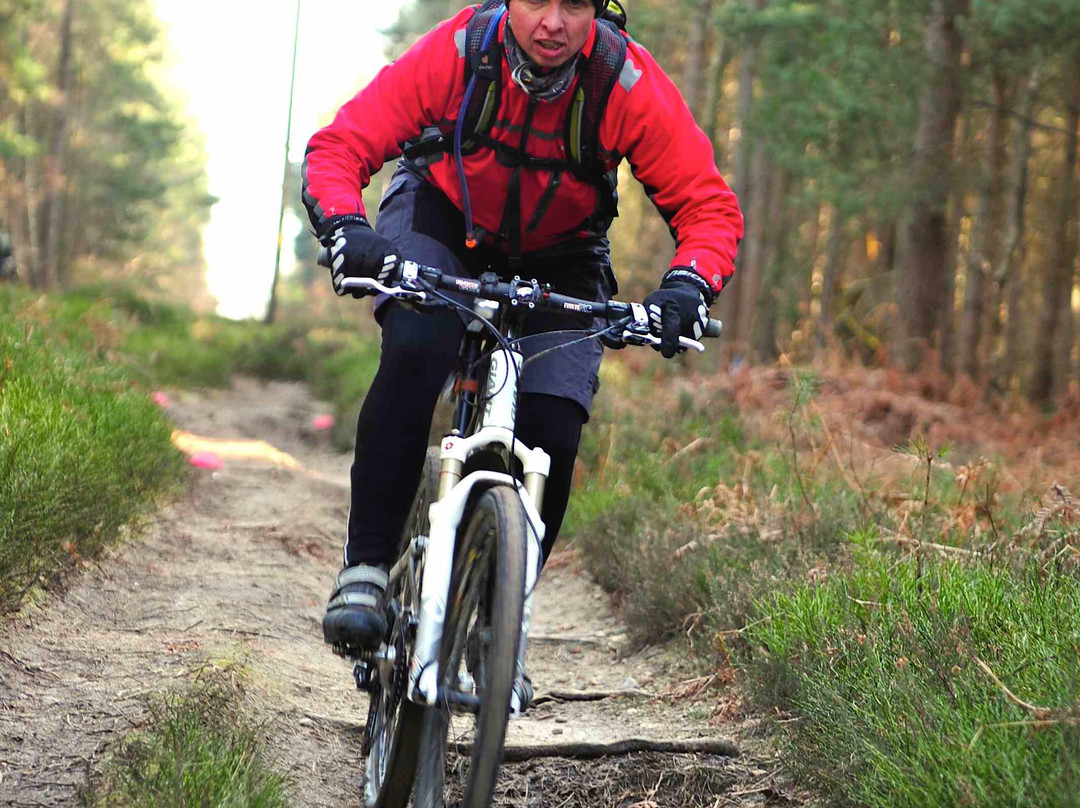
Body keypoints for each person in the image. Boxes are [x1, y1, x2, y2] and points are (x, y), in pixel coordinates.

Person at [302, 0, 743, 657]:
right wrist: (347, 227)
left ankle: (496, 624)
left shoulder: (623, 81)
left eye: (574, 5)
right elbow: (342, 145)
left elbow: (707, 206)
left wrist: (688, 284)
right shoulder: (461, 51)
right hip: (441, 215)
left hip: (562, 251)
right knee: (419, 348)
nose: (553, 22)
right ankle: (365, 570)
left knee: (555, 426)